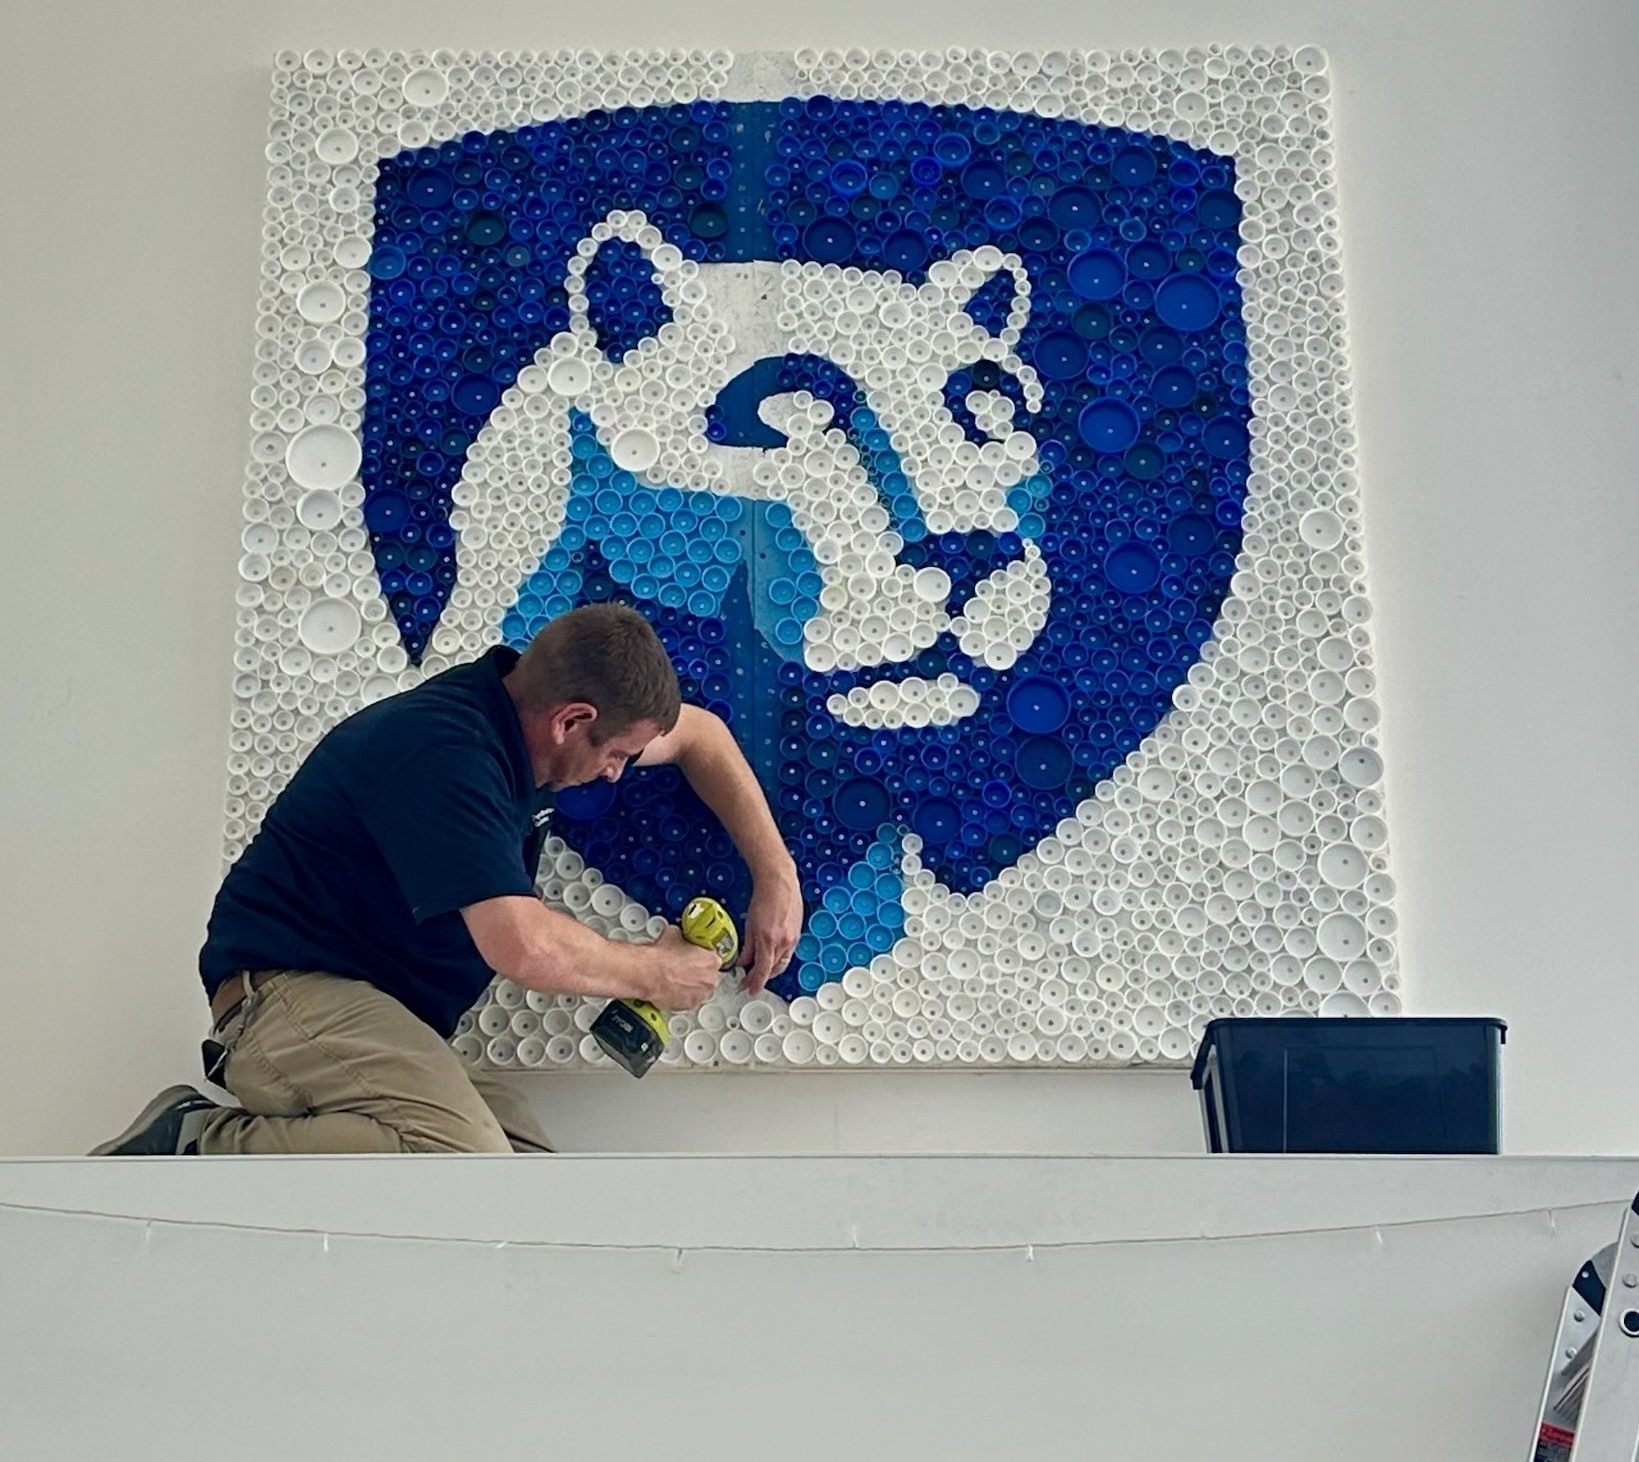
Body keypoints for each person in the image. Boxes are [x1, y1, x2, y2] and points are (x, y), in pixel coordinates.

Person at [93, 603, 803, 1155]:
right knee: (456, 1163)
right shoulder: (447, 753)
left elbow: (701, 736)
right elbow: (519, 944)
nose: (616, 773)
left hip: (388, 1020)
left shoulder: (523, 729)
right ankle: (194, 1140)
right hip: (284, 998)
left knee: (527, 1197)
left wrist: (776, 876)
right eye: (616, 755)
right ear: (571, 720)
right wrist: (652, 974)